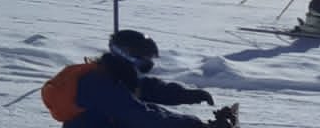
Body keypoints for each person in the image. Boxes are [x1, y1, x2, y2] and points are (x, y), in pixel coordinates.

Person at [40, 29, 234, 128]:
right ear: (126, 54)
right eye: (144, 57)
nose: (148, 63)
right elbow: (143, 115)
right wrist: (194, 125)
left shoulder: (116, 74)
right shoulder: (100, 84)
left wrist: (190, 95)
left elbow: (151, 90)